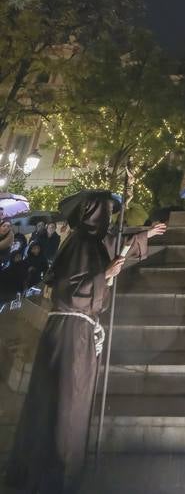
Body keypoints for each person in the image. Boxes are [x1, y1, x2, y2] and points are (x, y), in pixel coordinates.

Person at [5, 189, 166, 494]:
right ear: (94, 213)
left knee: (71, 401)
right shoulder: (80, 242)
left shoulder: (91, 241)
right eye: (106, 211)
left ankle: (61, 469)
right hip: (70, 330)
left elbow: (119, 244)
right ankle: (56, 474)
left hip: (78, 330)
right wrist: (105, 273)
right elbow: (69, 288)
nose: (110, 218)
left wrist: (145, 235)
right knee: (65, 401)